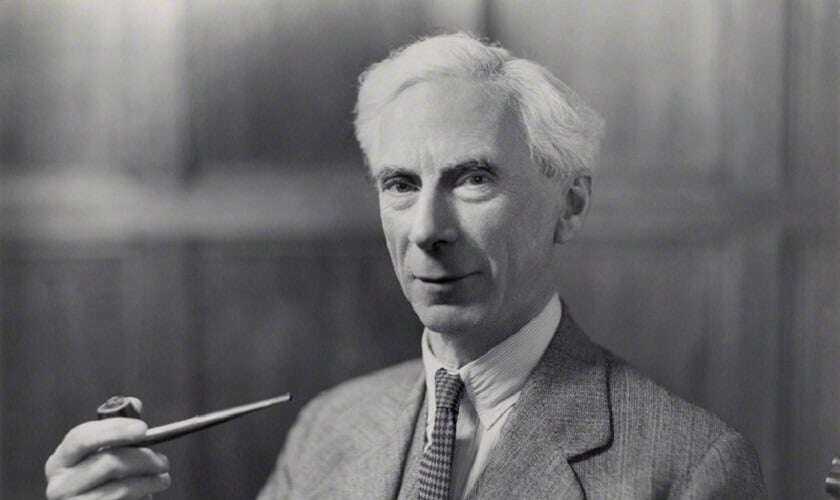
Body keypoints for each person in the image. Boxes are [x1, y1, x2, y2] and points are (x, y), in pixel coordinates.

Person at [45, 33, 766, 499]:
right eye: (400, 185)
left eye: (473, 179)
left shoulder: (689, 466)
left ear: (569, 204)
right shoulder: (329, 429)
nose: (427, 230)